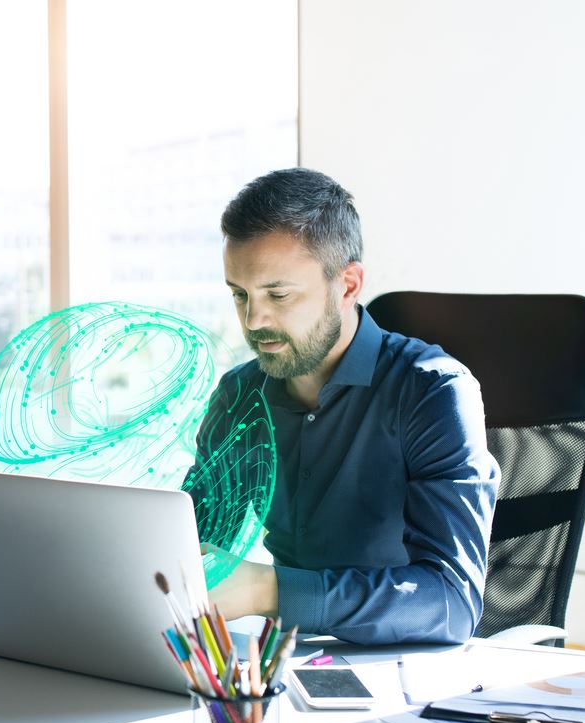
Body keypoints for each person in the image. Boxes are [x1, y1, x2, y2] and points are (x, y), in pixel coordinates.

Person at [191, 168, 499, 645]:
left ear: (349, 285)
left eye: (278, 294)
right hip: (282, 663)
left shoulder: (434, 392)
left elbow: (451, 603)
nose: (254, 320)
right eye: (240, 295)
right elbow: (192, 547)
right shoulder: (239, 397)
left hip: (406, 672)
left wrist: (266, 589)